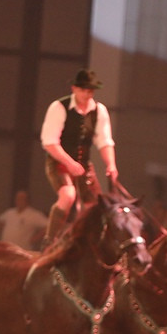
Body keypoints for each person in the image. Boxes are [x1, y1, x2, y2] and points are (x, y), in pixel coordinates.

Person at [39, 68, 118, 243]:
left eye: (90, 91)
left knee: (94, 206)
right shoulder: (60, 107)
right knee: (68, 195)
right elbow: (49, 142)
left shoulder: (99, 111)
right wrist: (69, 163)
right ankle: (49, 241)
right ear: (74, 89)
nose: (87, 94)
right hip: (59, 162)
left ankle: (85, 242)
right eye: (83, 90)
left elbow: (105, 141)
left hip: (83, 164)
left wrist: (110, 164)